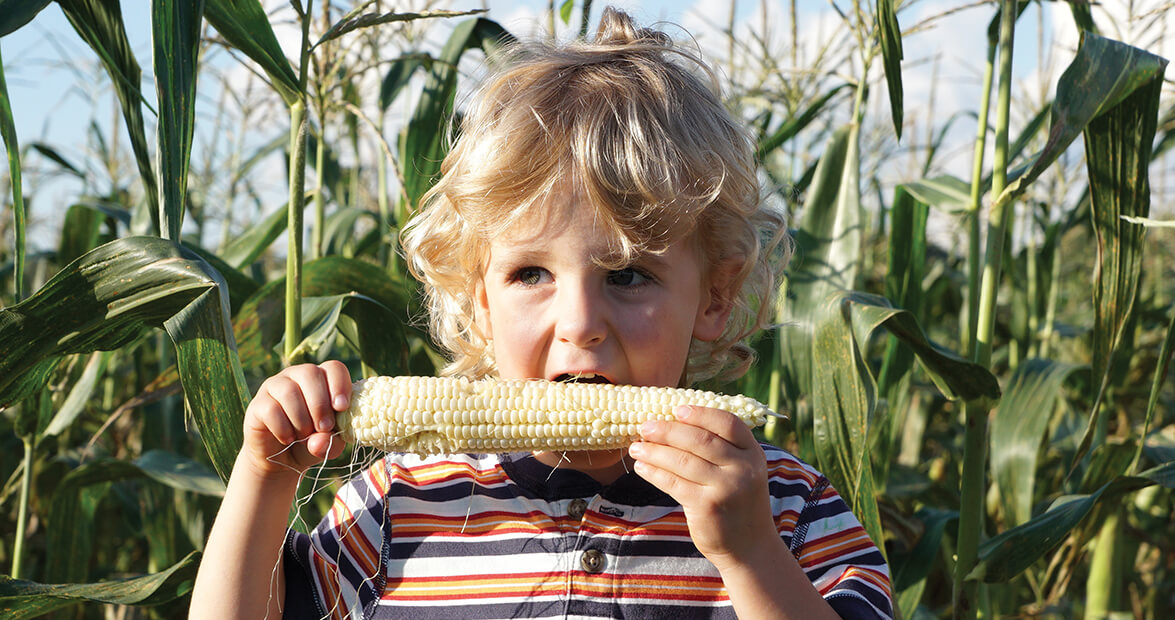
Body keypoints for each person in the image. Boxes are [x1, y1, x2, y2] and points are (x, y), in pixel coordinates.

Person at [189, 7, 893, 619]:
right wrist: (266, 476)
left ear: (713, 296)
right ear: (478, 299)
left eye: (627, 275)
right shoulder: (399, 501)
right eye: (531, 273)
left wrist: (749, 556)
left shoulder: (783, 507)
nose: (578, 321)